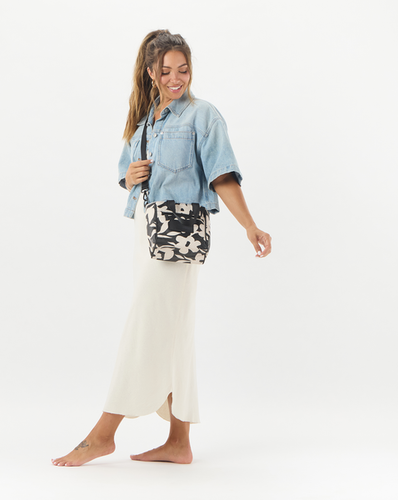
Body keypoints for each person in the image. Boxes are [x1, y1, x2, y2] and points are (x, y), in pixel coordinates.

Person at [52, 29, 271, 467]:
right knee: (173, 333)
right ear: (151, 72)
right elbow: (127, 174)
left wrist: (249, 225)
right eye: (166, 71)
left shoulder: (203, 115)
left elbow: (222, 174)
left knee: (145, 327)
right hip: (146, 230)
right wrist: (130, 176)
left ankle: (103, 434)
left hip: (179, 234)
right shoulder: (143, 119)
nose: (176, 79)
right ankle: (178, 442)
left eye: (183, 70)